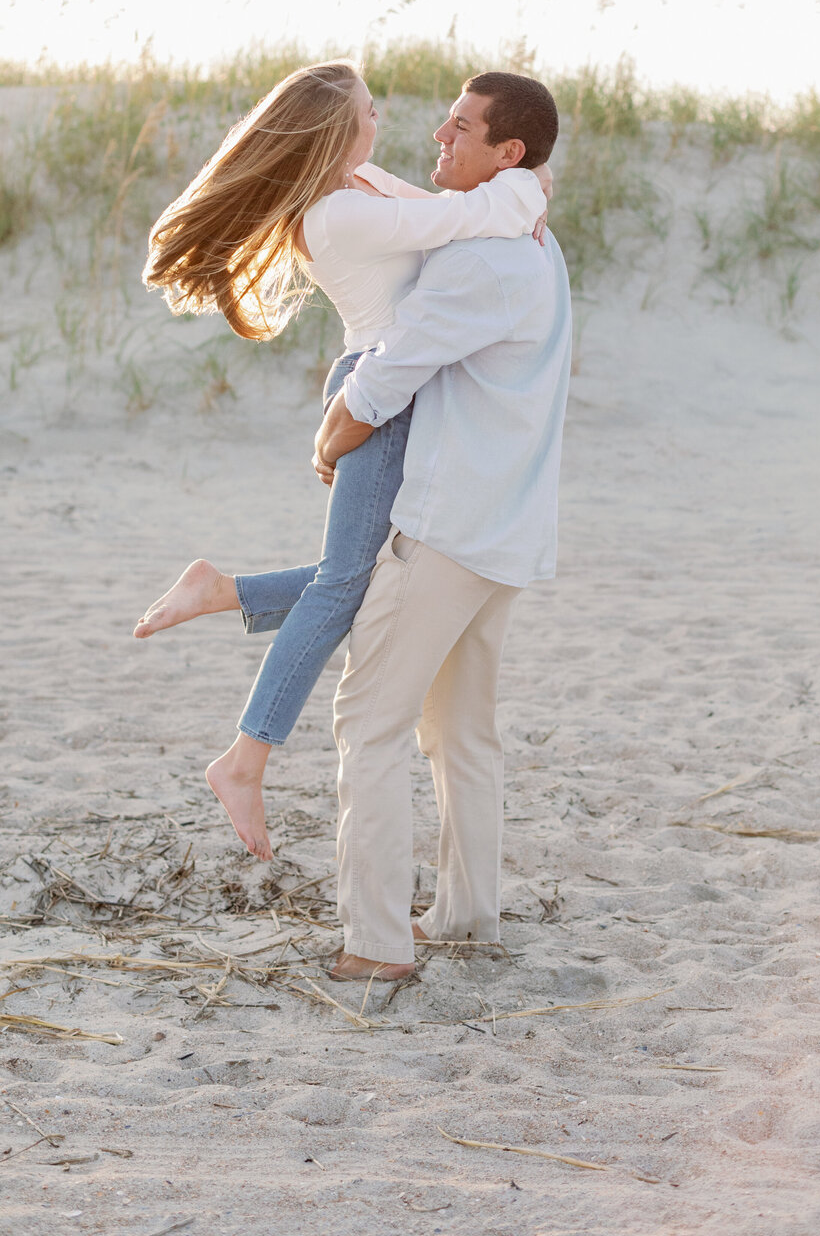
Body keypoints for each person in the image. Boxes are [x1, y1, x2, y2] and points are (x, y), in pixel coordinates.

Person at [134, 61, 550, 860]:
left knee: (364, 578)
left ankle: (223, 592)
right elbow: (460, 223)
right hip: (377, 399)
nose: (382, 119)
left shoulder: (359, 181)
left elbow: (459, 209)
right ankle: (244, 758)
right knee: (345, 583)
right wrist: (530, 189)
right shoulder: (335, 217)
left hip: (388, 392)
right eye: (367, 109)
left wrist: (526, 188)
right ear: (335, 127)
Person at [310, 71, 571, 981]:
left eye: (461, 130)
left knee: (368, 722)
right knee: (460, 731)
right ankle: (465, 915)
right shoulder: (529, 239)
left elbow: (391, 373)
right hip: (504, 531)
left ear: (507, 152)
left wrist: (331, 437)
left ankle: (376, 947)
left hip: (449, 528)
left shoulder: (484, 257)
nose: (438, 137)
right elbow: (422, 207)